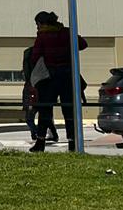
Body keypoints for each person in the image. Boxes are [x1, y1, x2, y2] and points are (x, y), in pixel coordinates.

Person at [22, 11, 88, 152]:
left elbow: (35, 57)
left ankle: (40, 142)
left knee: (45, 110)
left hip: (49, 78)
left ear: (41, 23)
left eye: (37, 24)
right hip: (67, 76)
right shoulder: (66, 33)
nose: (37, 27)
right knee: (69, 110)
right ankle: (72, 142)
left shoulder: (43, 37)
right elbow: (83, 44)